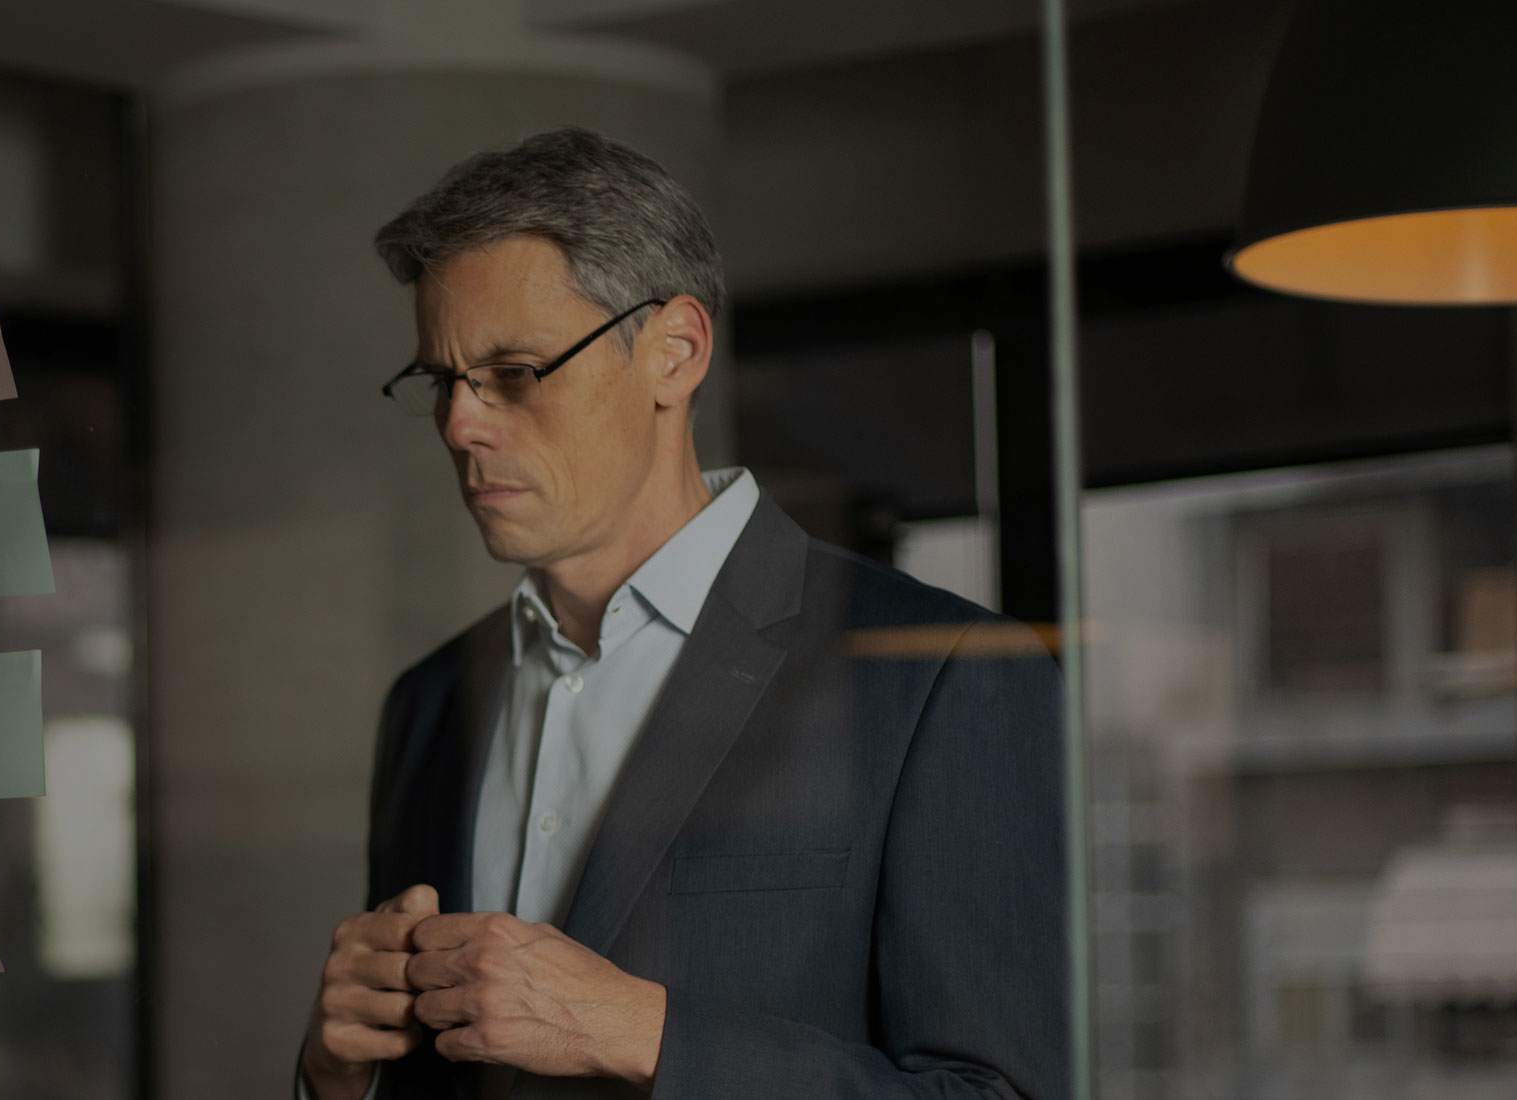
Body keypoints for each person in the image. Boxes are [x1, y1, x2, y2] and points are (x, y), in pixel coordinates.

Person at [297, 127, 1066, 1100]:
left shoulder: (944, 678)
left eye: (513, 373)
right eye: (442, 381)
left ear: (675, 352)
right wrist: (336, 1074)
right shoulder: (427, 703)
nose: (459, 423)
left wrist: (641, 1030)